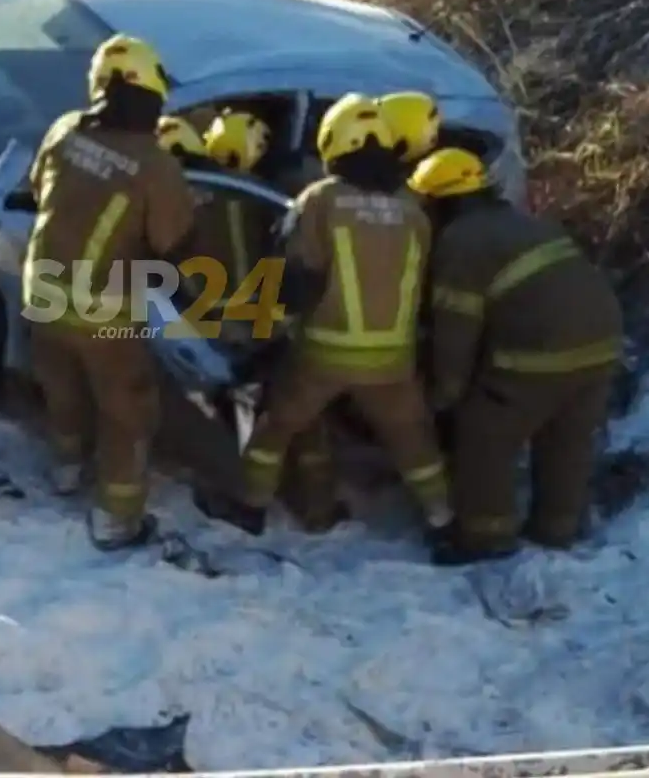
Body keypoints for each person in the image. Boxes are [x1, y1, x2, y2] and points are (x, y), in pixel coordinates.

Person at [193, 93, 454, 542]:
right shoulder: (415, 212)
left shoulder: (321, 200)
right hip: (393, 359)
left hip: (325, 353)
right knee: (414, 443)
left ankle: (249, 508)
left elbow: (298, 279)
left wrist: (267, 335)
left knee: (276, 426)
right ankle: (444, 522)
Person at [408, 148, 624, 565]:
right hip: (602, 342)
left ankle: (485, 537)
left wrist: (444, 394)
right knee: (566, 440)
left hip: (541, 349)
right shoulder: (523, 223)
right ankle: (557, 529)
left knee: (484, 437)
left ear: (438, 202)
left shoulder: (461, 239)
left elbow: (456, 328)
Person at [23, 34, 198, 551]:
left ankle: (66, 467)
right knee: (127, 410)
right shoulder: (156, 165)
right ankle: (116, 517)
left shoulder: (65, 131)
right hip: (104, 311)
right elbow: (174, 247)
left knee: (62, 385)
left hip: (42, 291)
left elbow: (39, 190)